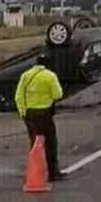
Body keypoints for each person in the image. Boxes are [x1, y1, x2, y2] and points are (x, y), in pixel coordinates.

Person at [14, 52, 64, 182]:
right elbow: (58, 94)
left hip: (30, 114)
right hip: (45, 114)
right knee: (50, 143)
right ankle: (53, 173)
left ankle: (36, 172)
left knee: (35, 143)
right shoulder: (50, 76)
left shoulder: (26, 76)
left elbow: (18, 96)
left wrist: (23, 113)